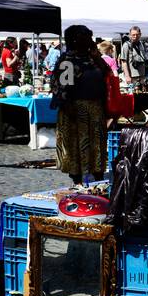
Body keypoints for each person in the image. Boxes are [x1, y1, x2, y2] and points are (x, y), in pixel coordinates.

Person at [51, 24, 108, 185]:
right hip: (76, 111)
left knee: (97, 147)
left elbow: (106, 72)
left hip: (95, 109)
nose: (91, 41)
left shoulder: (91, 58)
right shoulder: (68, 61)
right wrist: (71, 112)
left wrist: (97, 56)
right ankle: (78, 181)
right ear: (76, 40)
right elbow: (63, 91)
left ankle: (98, 179)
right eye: (87, 38)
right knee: (78, 147)